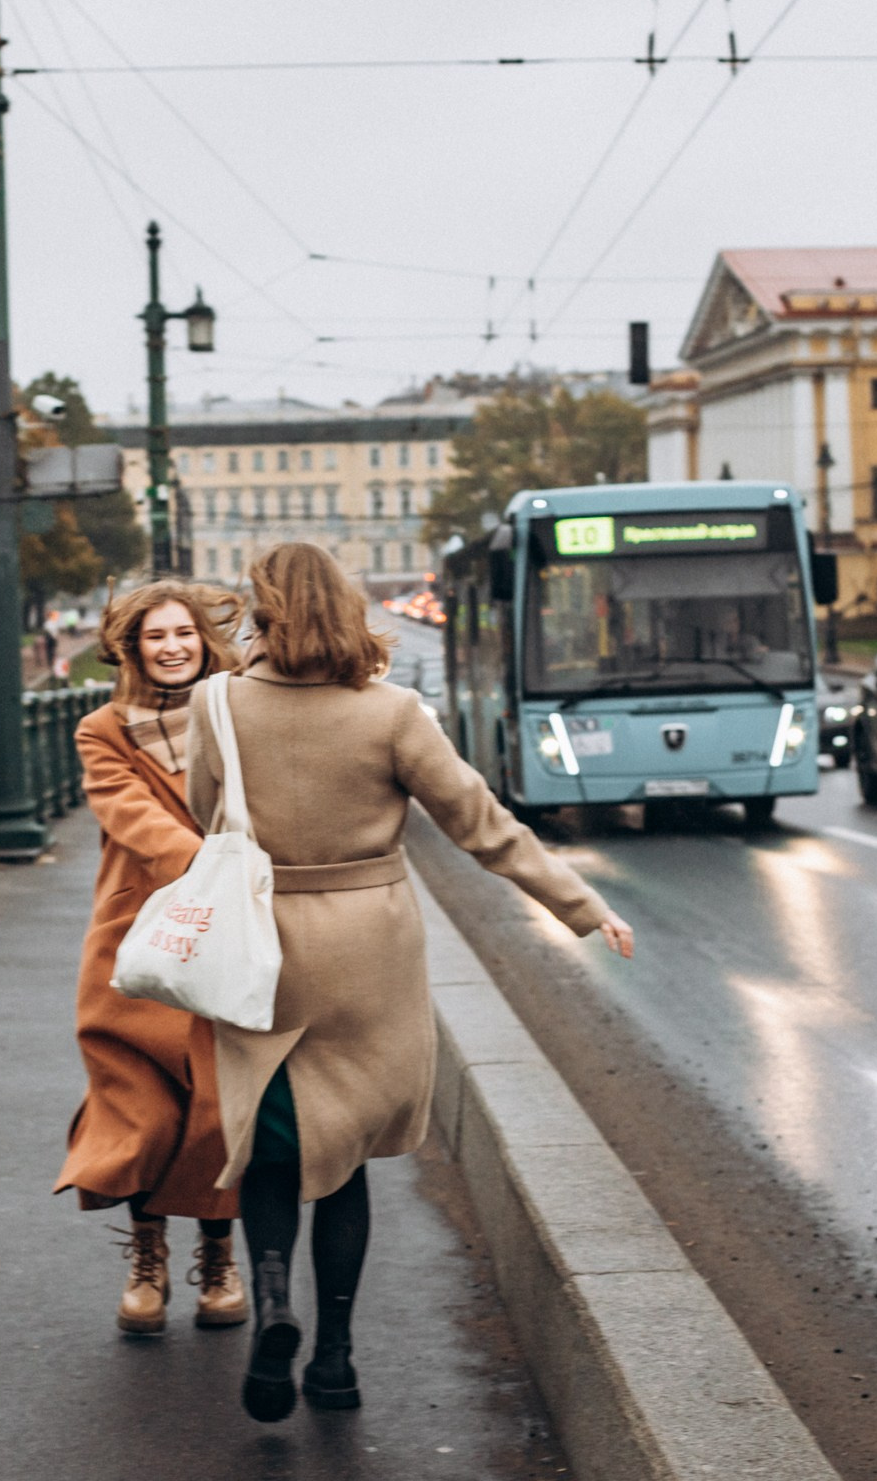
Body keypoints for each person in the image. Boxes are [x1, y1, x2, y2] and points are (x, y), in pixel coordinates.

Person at [184, 543, 632, 1423]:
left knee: (270, 1148)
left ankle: (272, 1301)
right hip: (368, 949)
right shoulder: (392, 712)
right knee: (343, 1153)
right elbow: (481, 824)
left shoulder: (217, 705)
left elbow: (208, 819)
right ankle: (338, 1360)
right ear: (348, 609)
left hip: (262, 949)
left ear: (264, 609)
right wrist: (580, 907)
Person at [57, 581, 249, 1338]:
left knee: (214, 1109)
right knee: (142, 1106)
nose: (171, 647)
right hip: (138, 940)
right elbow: (128, 813)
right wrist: (211, 866)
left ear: (204, 639)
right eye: (154, 637)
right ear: (131, 649)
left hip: (228, 937)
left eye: (183, 634)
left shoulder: (237, 715)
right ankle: (146, 1255)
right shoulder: (101, 729)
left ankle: (218, 1255)